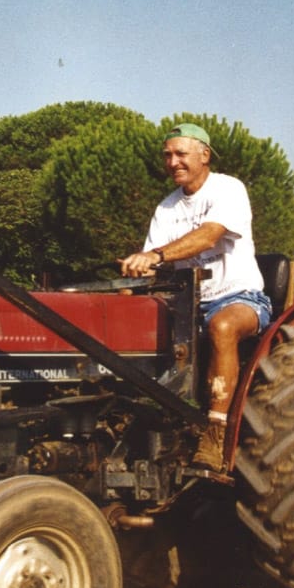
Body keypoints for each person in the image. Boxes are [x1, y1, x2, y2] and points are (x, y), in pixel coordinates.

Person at [118, 122, 271, 473]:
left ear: (204, 155)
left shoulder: (228, 189)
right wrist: (132, 282)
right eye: (167, 155)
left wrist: (156, 256)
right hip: (185, 305)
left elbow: (209, 235)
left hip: (238, 298)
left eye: (181, 154)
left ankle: (215, 432)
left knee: (222, 326)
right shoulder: (166, 208)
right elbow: (153, 265)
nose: (173, 162)